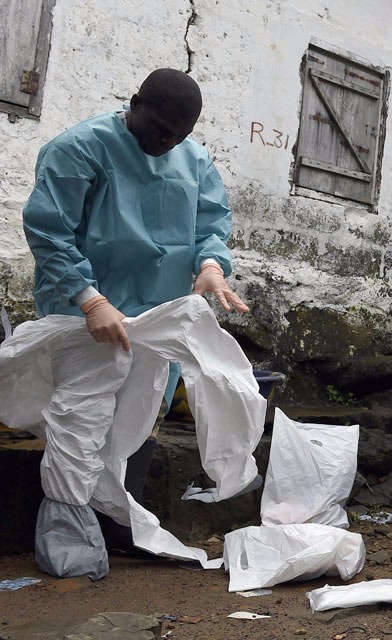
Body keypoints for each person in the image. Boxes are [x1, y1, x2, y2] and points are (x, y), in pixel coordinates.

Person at [21, 68, 248, 578]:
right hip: (88, 313)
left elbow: (210, 223)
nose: (167, 143)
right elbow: (50, 229)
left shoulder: (193, 160)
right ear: (135, 103)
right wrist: (87, 298)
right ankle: (67, 535)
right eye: (162, 129)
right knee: (82, 416)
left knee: (139, 414)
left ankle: (116, 521)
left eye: (180, 136)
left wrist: (211, 265)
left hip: (155, 313)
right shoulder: (80, 149)